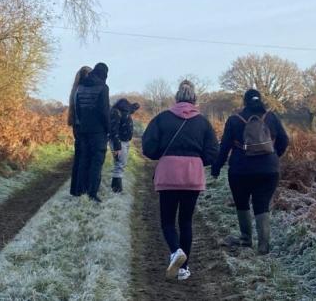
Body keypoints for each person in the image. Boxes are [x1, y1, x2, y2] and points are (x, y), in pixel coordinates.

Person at [142, 80, 219, 281]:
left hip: (168, 173)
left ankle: (176, 251)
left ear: (176, 99)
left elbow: (148, 147)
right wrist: (197, 159)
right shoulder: (203, 122)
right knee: (186, 221)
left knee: (167, 221)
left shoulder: (162, 119)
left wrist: (164, 155)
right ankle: (184, 268)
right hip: (193, 174)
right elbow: (213, 152)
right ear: (194, 100)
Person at [211, 89, 289, 254]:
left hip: (241, 170)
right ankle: (263, 246)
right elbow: (284, 140)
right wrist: (273, 156)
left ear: (244, 102)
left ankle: (246, 239)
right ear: (260, 100)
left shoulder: (234, 120)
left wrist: (216, 168)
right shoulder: (271, 117)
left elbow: (224, 147)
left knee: (242, 203)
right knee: (262, 205)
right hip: (269, 170)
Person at [74, 62, 111, 203]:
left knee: (84, 160)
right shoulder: (103, 87)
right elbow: (104, 111)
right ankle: (92, 193)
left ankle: (80, 190)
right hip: (98, 132)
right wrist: (108, 130)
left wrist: (81, 124)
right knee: (96, 162)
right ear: (105, 74)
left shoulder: (81, 86)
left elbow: (77, 108)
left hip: (83, 130)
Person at [68, 66, 92, 196]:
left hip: (76, 128)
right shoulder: (83, 90)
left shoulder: (75, 90)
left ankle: (75, 189)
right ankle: (81, 189)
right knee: (84, 158)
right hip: (83, 128)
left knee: (78, 158)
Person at [109, 98, 140, 193]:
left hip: (124, 141)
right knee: (119, 164)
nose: (130, 113)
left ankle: (116, 188)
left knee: (121, 164)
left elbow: (134, 107)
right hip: (119, 141)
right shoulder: (116, 113)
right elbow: (114, 131)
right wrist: (117, 147)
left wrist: (135, 106)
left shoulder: (123, 112)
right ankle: (116, 190)